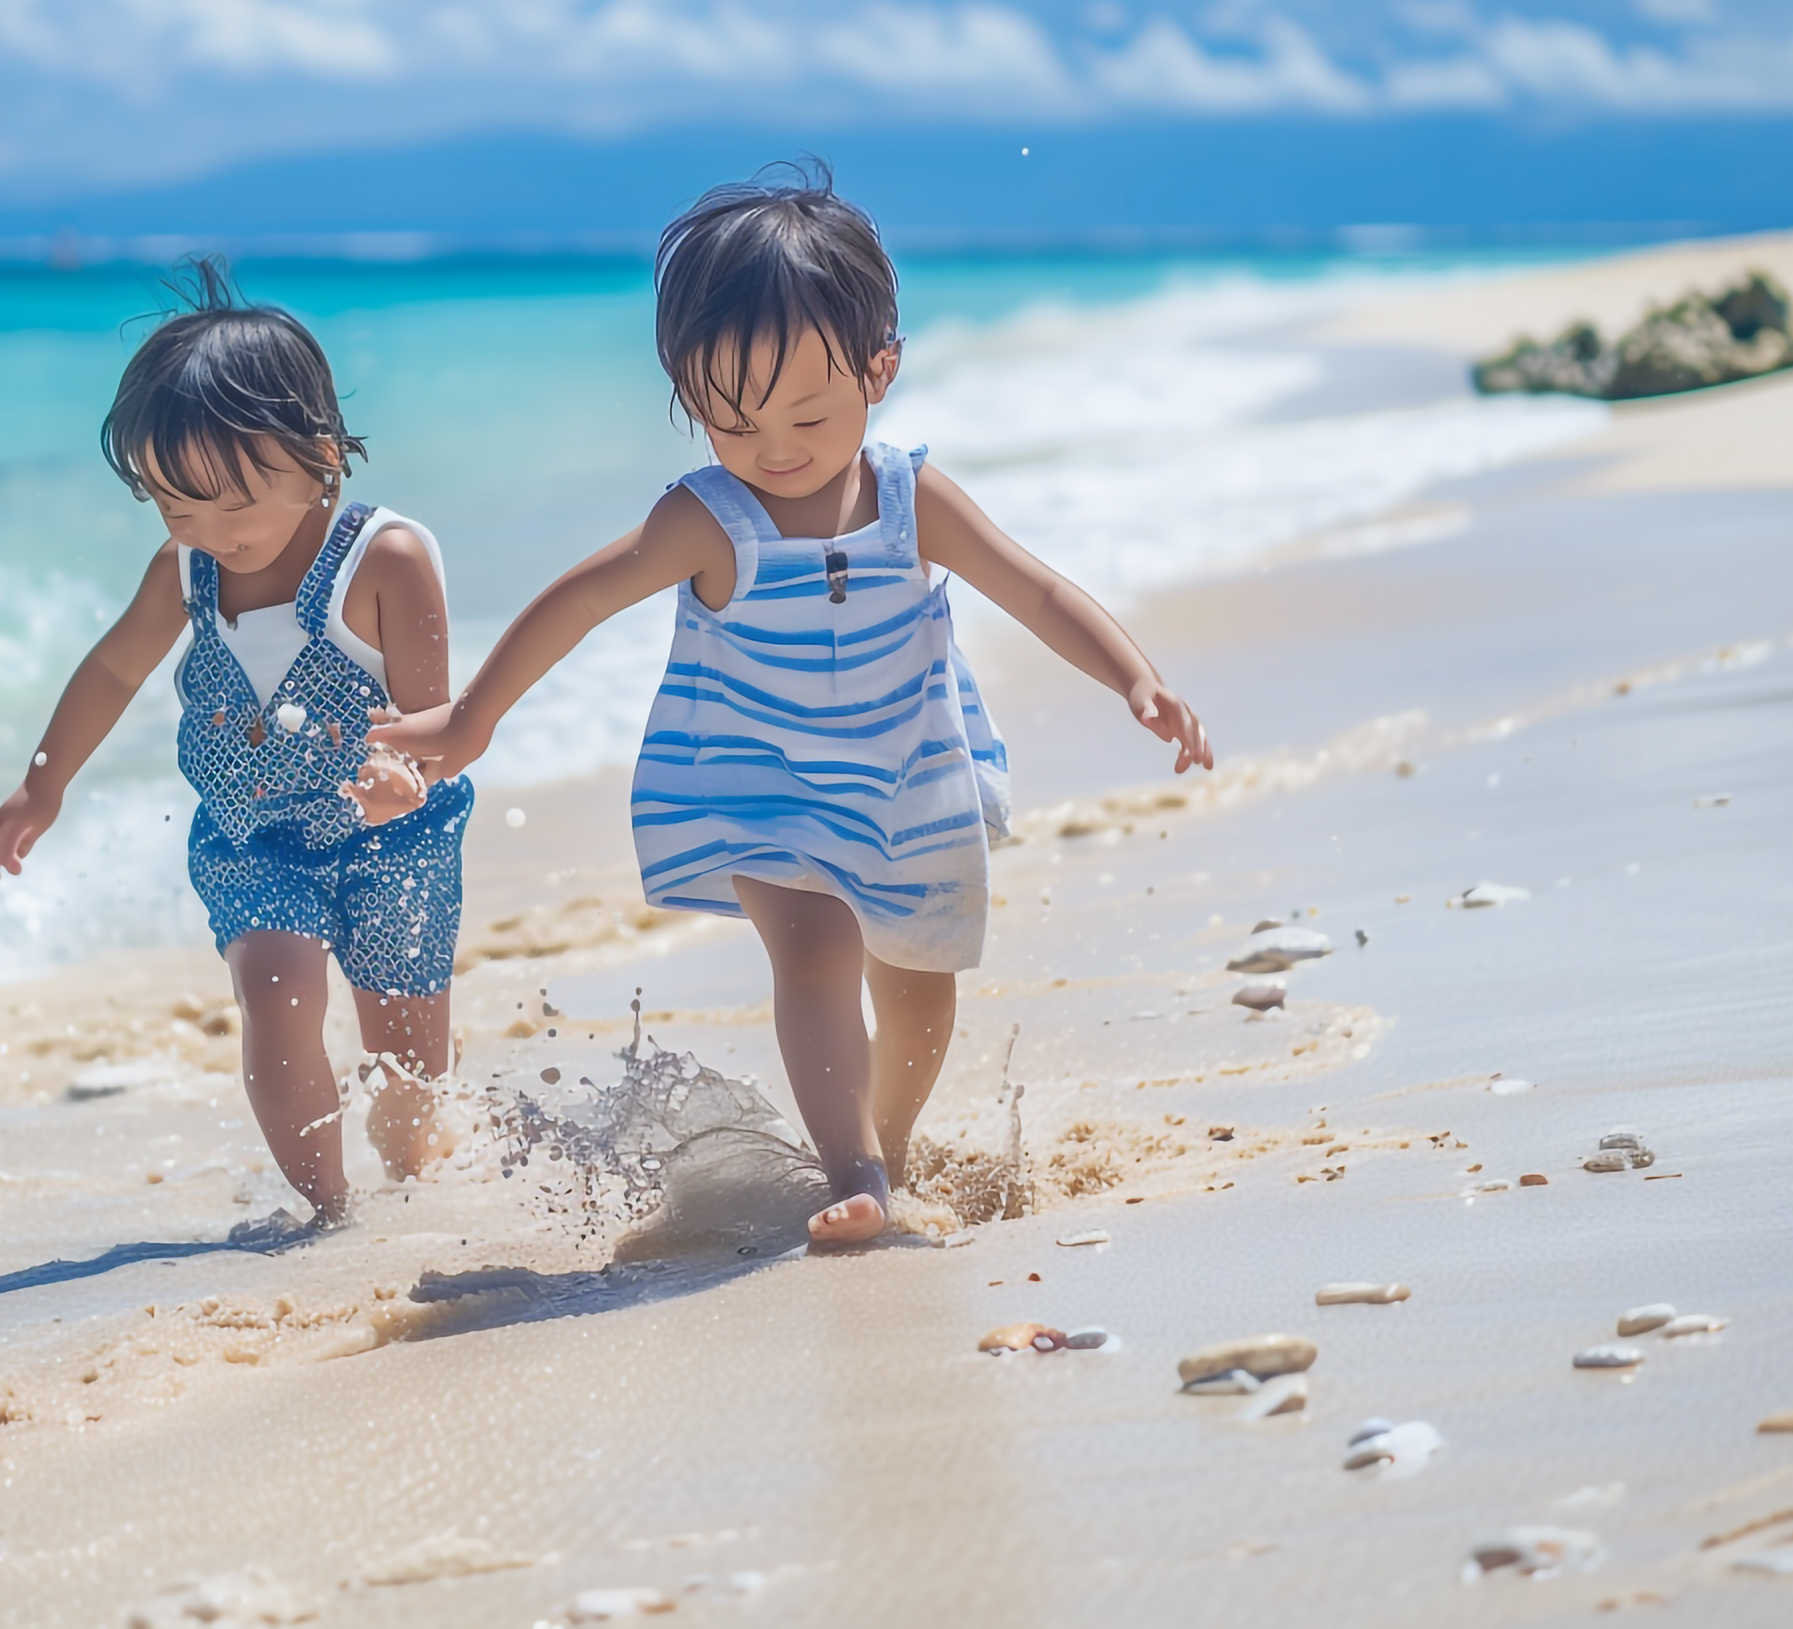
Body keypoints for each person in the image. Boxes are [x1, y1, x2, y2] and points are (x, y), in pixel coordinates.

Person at [381, 165, 1209, 1244]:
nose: (771, 449)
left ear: (881, 369)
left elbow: (1036, 588)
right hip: (760, 784)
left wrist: (1132, 675)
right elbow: (577, 600)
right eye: (729, 421)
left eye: (806, 414)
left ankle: (891, 1146)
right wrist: (469, 720)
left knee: (918, 982)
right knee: (813, 949)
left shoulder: (914, 498)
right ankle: (853, 1168)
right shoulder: (707, 519)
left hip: (907, 781)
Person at [0, 259, 468, 1225]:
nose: (206, 530)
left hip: (394, 839)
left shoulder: (386, 560)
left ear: (320, 452)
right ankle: (327, 1217)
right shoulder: (188, 568)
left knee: (406, 1052)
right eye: (175, 506)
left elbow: (436, 721)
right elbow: (115, 669)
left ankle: (414, 1183)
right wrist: (44, 784)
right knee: (276, 1002)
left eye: (232, 503)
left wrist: (401, 774)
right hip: (254, 839)